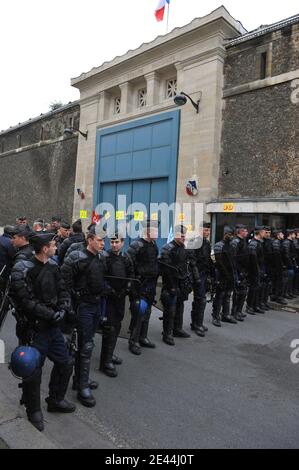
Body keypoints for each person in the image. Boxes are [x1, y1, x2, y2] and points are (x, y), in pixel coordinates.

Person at [10, 233, 76, 432]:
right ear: (45, 248)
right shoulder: (23, 269)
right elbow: (26, 301)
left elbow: (63, 289)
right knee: (33, 371)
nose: (56, 247)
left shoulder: (54, 266)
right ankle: (33, 410)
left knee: (65, 363)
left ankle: (55, 399)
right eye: (53, 244)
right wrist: (49, 314)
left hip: (53, 327)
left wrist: (64, 307)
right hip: (34, 329)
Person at [61, 231, 107, 407]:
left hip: (95, 305)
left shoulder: (101, 258)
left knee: (88, 344)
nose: (103, 244)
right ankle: (82, 387)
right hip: (82, 307)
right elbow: (64, 282)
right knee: (85, 346)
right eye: (100, 240)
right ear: (90, 240)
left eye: (104, 241)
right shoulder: (76, 257)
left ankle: (80, 379)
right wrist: (71, 305)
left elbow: (101, 280)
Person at [98, 232, 134, 377]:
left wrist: (127, 288)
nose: (114, 245)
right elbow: (101, 278)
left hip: (120, 297)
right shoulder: (104, 257)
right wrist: (110, 291)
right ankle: (105, 362)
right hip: (108, 299)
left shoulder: (126, 257)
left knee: (117, 325)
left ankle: (110, 354)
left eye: (116, 242)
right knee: (109, 328)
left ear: (122, 242)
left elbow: (131, 275)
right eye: (111, 242)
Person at [126, 220, 159, 355]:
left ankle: (143, 337)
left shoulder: (153, 244)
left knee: (148, 312)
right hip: (139, 285)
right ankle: (133, 341)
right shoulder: (136, 245)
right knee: (139, 313)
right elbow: (129, 265)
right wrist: (134, 285)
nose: (157, 233)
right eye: (155, 230)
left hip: (150, 285)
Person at [159, 225, 196, 345]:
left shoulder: (183, 247)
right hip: (171, 283)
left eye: (184, 235)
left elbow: (186, 265)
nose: (183, 237)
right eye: (181, 235)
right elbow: (165, 270)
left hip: (182, 282)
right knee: (170, 309)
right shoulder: (167, 248)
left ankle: (177, 329)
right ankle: (167, 333)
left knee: (180, 306)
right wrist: (171, 286)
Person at [189, 223, 213, 337]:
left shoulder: (207, 243)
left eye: (208, 231)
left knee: (200, 299)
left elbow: (207, 260)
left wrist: (211, 274)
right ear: (200, 230)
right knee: (200, 299)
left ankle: (197, 323)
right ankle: (197, 324)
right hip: (196, 275)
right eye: (205, 230)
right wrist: (197, 277)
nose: (207, 233)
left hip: (203, 274)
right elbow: (192, 262)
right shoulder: (194, 242)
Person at [212, 226, 237, 327]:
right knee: (219, 296)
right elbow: (219, 262)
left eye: (232, 235)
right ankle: (215, 316)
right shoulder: (219, 245)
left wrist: (232, 273)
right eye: (229, 235)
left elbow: (233, 260)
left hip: (230, 274)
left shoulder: (231, 245)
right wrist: (225, 274)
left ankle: (225, 315)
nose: (231, 237)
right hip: (221, 275)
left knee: (227, 295)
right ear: (225, 234)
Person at [230, 224, 249, 322]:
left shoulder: (243, 241)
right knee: (238, 292)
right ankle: (234, 312)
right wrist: (237, 271)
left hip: (243, 270)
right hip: (238, 271)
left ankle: (239, 311)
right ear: (240, 232)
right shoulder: (236, 242)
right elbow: (233, 259)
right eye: (245, 231)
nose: (247, 232)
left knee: (243, 291)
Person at [246, 226, 266, 314]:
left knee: (257, 288)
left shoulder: (259, 242)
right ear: (259, 232)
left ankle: (255, 305)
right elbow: (253, 259)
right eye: (264, 232)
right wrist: (257, 270)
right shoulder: (253, 243)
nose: (265, 233)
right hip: (254, 270)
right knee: (253, 288)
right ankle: (249, 306)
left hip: (259, 269)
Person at [271, 230, 288, 305]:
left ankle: (274, 296)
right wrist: (282, 265)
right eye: (281, 234)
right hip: (278, 266)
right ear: (278, 235)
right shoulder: (276, 243)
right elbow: (277, 256)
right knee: (279, 282)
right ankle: (278, 297)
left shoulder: (278, 242)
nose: (283, 235)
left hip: (277, 266)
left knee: (276, 281)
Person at [282, 229, 297, 299]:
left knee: (290, 279)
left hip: (291, 263)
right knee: (287, 280)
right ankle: (285, 293)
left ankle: (289, 292)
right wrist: (290, 264)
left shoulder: (291, 242)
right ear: (290, 234)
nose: (295, 235)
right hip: (288, 265)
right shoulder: (287, 242)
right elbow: (286, 255)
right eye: (294, 234)